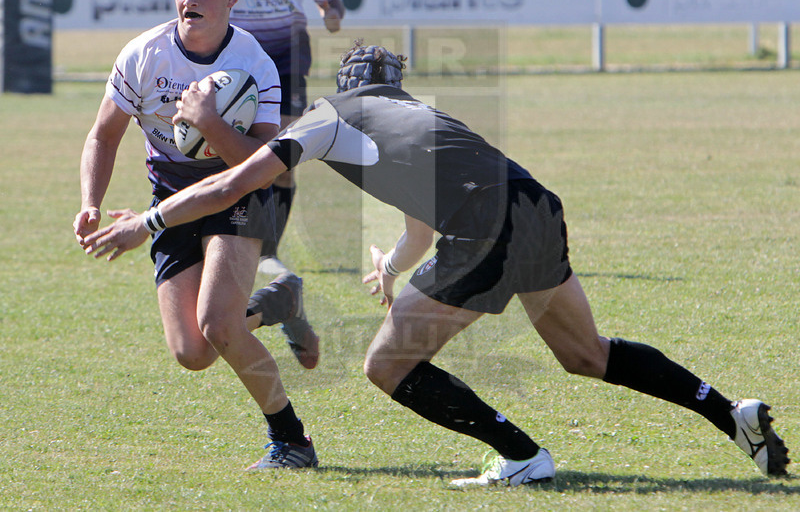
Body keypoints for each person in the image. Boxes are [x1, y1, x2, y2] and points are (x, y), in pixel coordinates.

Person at [81, 41, 790, 485]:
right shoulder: (423, 117)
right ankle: (732, 414)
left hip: (484, 226)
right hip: (535, 205)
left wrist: (145, 221)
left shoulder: (332, 114)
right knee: (587, 353)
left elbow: (236, 183)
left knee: (385, 366)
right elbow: (424, 222)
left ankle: (519, 453)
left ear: (348, 80)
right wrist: (392, 264)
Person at [73, 0, 319, 470]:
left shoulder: (255, 62)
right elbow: (103, 136)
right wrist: (91, 202)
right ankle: (278, 304)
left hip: (239, 198)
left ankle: (292, 442)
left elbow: (263, 161)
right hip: (172, 198)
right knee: (193, 352)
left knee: (219, 324)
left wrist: (208, 123)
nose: (190, 0)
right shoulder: (144, 54)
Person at [209, 0, 346, 271]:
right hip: (232, 63)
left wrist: (331, 14)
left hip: (287, 59)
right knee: (224, 154)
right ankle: (218, 241)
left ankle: (268, 253)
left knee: (281, 161)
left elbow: (331, 1)